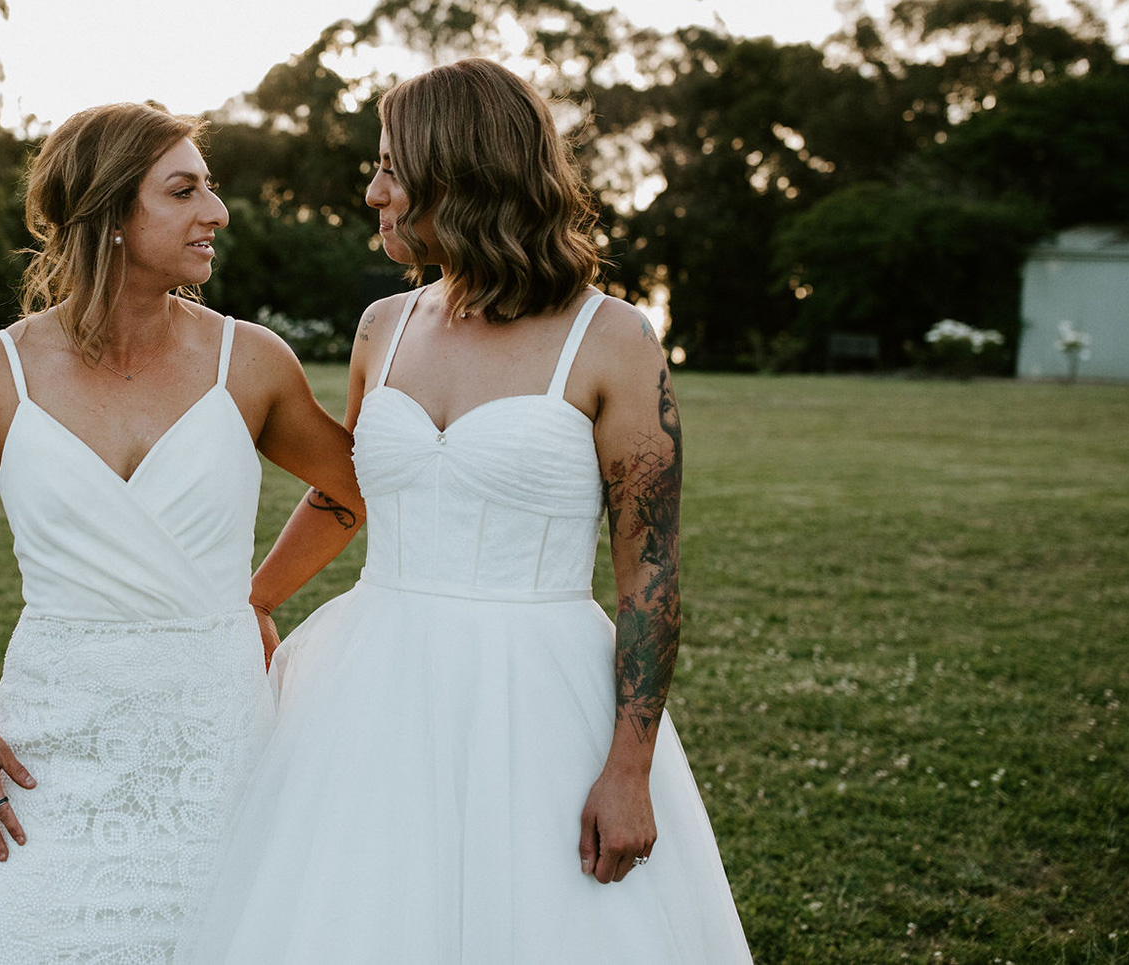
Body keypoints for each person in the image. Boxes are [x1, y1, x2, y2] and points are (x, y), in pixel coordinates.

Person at [183, 60, 753, 962]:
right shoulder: (384, 326)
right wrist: (256, 597)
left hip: (540, 695)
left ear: (462, 172)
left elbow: (651, 568)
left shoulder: (615, 340)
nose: (371, 190)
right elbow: (351, 489)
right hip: (366, 682)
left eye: (389, 168)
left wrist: (630, 768)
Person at [0, 102, 365, 964]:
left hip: (219, 732)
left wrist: (256, 596)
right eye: (184, 191)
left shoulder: (252, 360)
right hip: (52, 737)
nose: (217, 213)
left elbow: (354, 487)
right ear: (113, 215)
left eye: (210, 188)